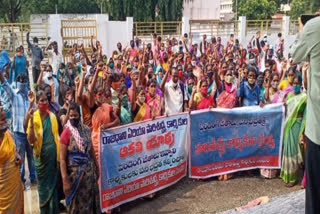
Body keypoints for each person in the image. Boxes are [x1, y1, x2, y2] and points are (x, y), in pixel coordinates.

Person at [290, 15, 320, 214]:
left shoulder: (314, 27)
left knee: (315, 195)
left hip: (318, 132)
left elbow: (295, 54)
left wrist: (304, 28)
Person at [60, 103, 100, 213]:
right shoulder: (66, 133)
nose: (73, 118)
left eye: (75, 116)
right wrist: (65, 180)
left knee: (90, 201)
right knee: (77, 205)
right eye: (71, 116)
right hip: (75, 178)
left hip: (89, 174)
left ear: (80, 116)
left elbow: (90, 149)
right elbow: (62, 159)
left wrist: (97, 166)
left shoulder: (86, 130)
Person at [26, 90, 60, 213]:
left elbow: (57, 136)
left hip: (52, 157)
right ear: (37, 102)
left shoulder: (52, 117)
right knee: (43, 187)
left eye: (46, 100)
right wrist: (30, 122)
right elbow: (31, 140)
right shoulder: (33, 117)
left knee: (53, 185)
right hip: (41, 159)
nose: (44, 102)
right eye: (41, 100)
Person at [0, 72, 37, 187]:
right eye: (20, 80)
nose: (22, 82)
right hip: (19, 133)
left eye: (24, 80)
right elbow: (5, 84)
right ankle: (20, 181)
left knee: (31, 158)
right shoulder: (14, 96)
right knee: (19, 158)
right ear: (17, 82)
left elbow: (34, 114)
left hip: (29, 133)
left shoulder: (30, 98)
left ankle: (33, 178)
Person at [280, 76, 306, 187]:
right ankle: (287, 175)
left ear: (300, 84)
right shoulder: (290, 95)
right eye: (294, 83)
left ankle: (294, 177)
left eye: (297, 83)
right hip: (288, 125)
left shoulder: (304, 97)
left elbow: (306, 115)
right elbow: (285, 110)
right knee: (287, 150)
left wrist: (303, 131)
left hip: (298, 125)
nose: (295, 85)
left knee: (294, 150)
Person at [0, 106, 24, 214]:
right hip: (2, 193)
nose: (4, 121)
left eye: (4, 120)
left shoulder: (8, 134)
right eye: (1, 120)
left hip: (15, 187)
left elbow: (15, 153)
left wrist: (18, 157)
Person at [91, 85, 120, 160]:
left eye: (103, 94)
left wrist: (108, 125)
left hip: (108, 142)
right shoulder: (91, 107)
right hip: (96, 144)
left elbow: (117, 120)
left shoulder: (107, 106)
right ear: (95, 96)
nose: (102, 96)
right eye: (99, 94)